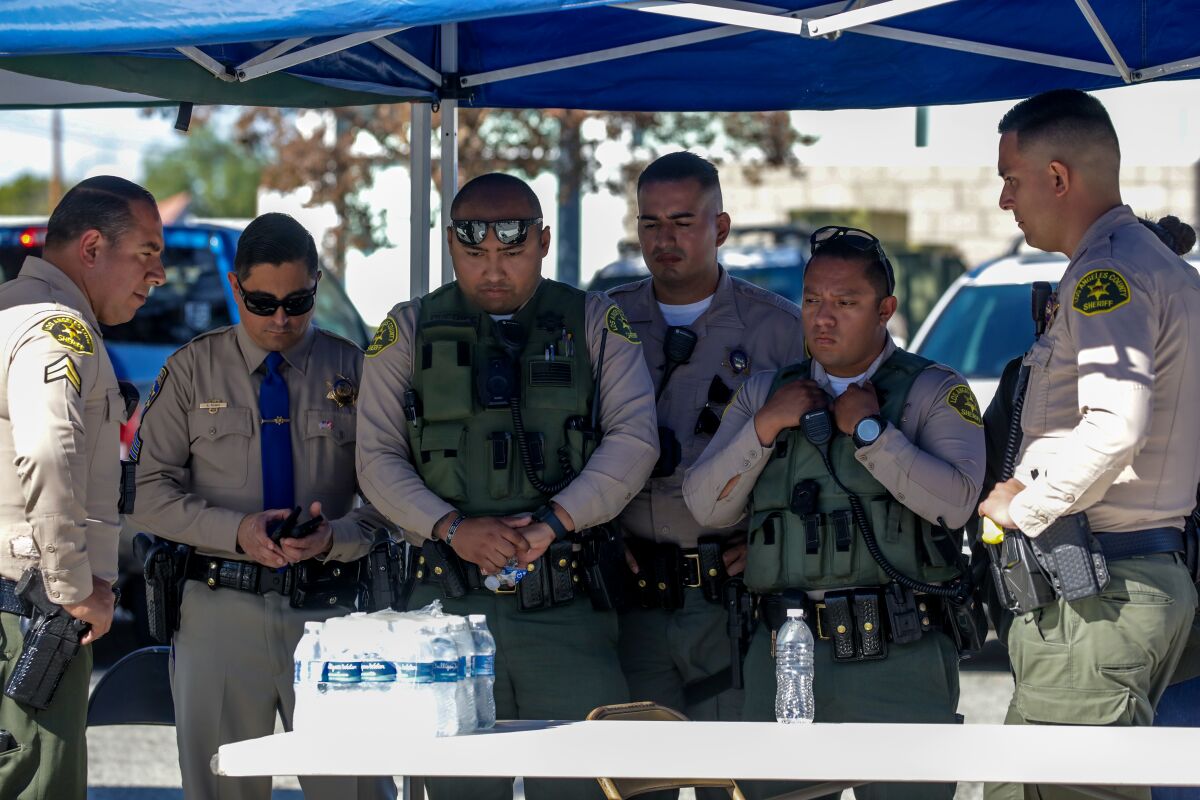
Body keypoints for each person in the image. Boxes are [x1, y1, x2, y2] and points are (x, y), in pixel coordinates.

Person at [356, 172, 658, 800]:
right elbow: (376, 459)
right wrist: (453, 528)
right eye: (476, 253)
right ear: (450, 243)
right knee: (459, 790)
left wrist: (554, 523)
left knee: (584, 785)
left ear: (543, 241)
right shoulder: (407, 330)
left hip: (567, 611)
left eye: (513, 251)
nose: (493, 269)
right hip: (445, 614)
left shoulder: (595, 323)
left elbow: (634, 442)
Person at [684, 225, 985, 800]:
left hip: (899, 655)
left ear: (885, 310)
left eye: (845, 303)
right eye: (812, 300)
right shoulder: (765, 395)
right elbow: (704, 504)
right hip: (786, 657)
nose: (823, 318)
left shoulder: (932, 391)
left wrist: (872, 434)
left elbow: (956, 504)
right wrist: (765, 427)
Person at [978, 89, 1200, 800]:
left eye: (1011, 180)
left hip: (1100, 591)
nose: (1005, 200)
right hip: (1121, 581)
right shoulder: (1156, 268)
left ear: (1057, 177)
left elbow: (1114, 425)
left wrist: (1022, 506)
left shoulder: (1109, 275)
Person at [129, 213, 396, 800]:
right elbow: (145, 493)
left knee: (354, 790)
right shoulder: (191, 370)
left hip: (332, 614)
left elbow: (394, 499)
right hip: (220, 611)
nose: (280, 318)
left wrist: (337, 537)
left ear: (317, 285)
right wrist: (237, 530)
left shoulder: (356, 370)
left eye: (298, 302)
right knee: (223, 786)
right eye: (262, 302)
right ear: (235, 286)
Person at [605, 152, 804, 774]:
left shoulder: (778, 331)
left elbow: (818, 463)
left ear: (720, 227)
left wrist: (774, 538)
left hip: (730, 602)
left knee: (734, 779)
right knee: (639, 781)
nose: (664, 239)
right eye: (650, 223)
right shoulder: (604, 323)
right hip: (633, 601)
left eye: (683, 222)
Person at [0, 176, 165, 800]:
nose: (159, 275)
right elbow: (48, 450)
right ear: (92, 247)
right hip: (30, 618)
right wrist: (72, 588)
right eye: (147, 253)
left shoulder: (11, 311)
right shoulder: (56, 329)